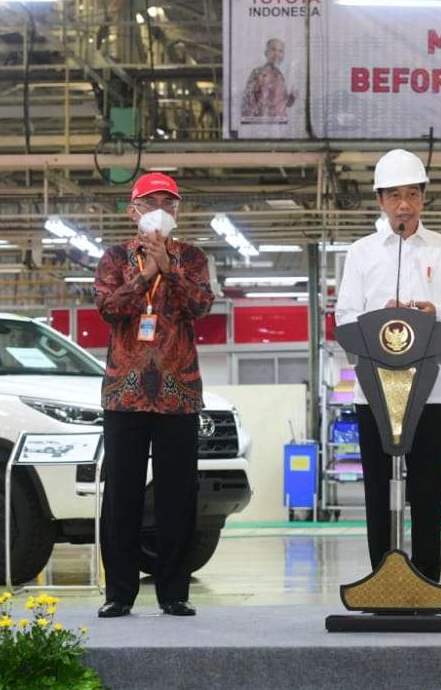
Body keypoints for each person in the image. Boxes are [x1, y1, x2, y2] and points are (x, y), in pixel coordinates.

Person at [335, 149, 441, 583]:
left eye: (413, 194)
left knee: (427, 487)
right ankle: (380, 577)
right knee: (377, 487)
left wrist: (434, 313)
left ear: (423, 199)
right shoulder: (361, 253)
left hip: (431, 391)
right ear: (380, 200)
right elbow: (344, 318)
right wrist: (382, 319)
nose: (404, 205)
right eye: (395, 196)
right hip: (373, 390)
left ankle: (428, 578)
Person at [94, 172, 215, 618]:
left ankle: (174, 592)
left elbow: (202, 306)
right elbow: (108, 309)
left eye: (168, 202)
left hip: (178, 394)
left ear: (178, 211)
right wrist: (145, 275)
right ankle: (119, 593)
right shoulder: (113, 258)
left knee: (177, 498)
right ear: (133, 210)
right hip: (124, 395)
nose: (160, 208)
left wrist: (169, 269)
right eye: (151, 202)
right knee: (122, 495)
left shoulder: (193, 258)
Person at [240, 38, 297, 124]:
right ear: (266, 53)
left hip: (280, 126)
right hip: (263, 126)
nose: (277, 54)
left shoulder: (280, 76)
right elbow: (247, 102)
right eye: (273, 49)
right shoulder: (258, 73)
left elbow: (285, 104)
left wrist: (292, 97)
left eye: (280, 51)